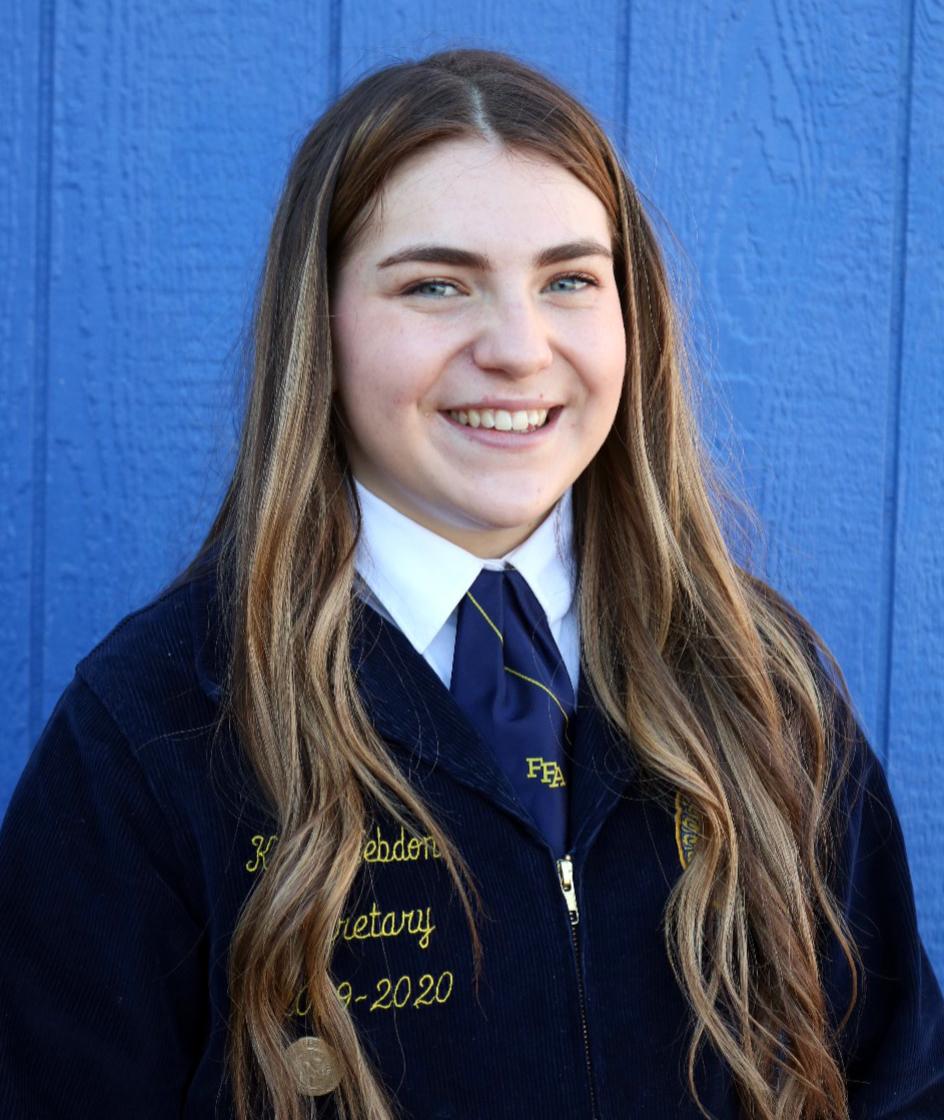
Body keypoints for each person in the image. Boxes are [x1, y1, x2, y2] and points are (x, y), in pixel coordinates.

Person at [0, 47, 941, 1120]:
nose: (516, 346)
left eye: (569, 280)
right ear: (323, 326)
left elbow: (898, 1082)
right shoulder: (157, 725)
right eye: (435, 284)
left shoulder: (761, 684)